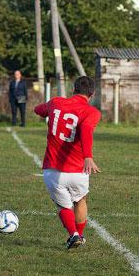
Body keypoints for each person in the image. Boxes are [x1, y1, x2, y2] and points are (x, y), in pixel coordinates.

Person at [34, 76, 102, 250]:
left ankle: (73, 235)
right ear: (92, 94)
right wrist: (88, 156)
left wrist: (48, 109)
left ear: (73, 90)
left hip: (53, 169)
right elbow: (86, 129)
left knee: (62, 205)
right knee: (80, 200)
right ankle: (79, 234)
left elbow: (38, 110)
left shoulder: (56, 102)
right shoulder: (92, 112)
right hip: (78, 170)